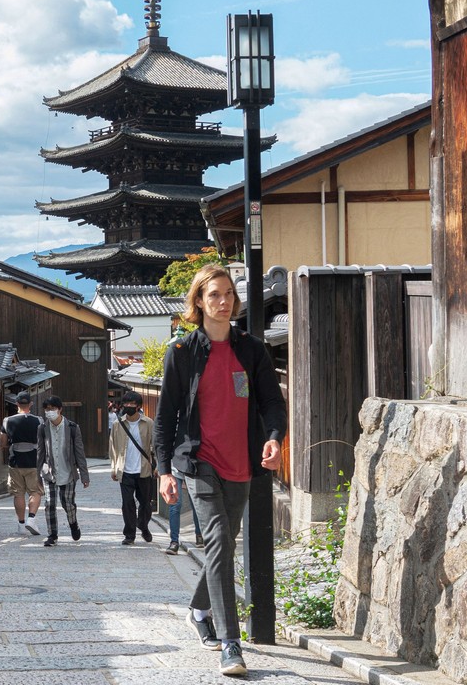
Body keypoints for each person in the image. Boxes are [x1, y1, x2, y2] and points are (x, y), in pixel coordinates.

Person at [154, 264, 287, 677]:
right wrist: (164, 470)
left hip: (242, 462)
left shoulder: (251, 349)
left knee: (222, 548)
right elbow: (165, 418)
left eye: (228, 293)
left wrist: (275, 438)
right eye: (214, 294)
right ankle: (232, 644)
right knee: (218, 542)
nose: (223, 301)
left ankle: (198, 609)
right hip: (200, 462)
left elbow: (271, 402)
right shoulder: (181, 353)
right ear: (198, 301)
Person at [35, 395, 89, 547]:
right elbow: (40, 452)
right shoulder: (42, 428)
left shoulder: (72, 428)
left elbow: (80, 452)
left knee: (68, 504)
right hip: (48, 472)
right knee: (49, 503)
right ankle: (52, 535)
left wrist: (84, 476)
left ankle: (73, 523)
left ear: (60, 410)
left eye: (52, 409)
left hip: (68, 471)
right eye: (47, 409)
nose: (49, 412)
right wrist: (37, 476)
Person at [109, 390, 155, 545]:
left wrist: (159, 466)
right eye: (126, 403)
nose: (128, 406)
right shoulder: (118, 424)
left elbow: (154, 445)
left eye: (132, 404)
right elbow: (113, 447)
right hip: (125, 470)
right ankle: (129, 534)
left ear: (138, 406)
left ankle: (143, 525)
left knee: (145, 503)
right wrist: (114, 467)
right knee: (127, 503)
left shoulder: (148, 423)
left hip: (143, 470)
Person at [0, 392, 43, 535]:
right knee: (35, 491)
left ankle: (21, 524)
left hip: (16, 461)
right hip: (34, 461)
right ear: (30, 404)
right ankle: (31, 518)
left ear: (16, 404)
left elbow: (3, 443)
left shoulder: (7, 421)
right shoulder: (39, 420)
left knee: (18, 494)